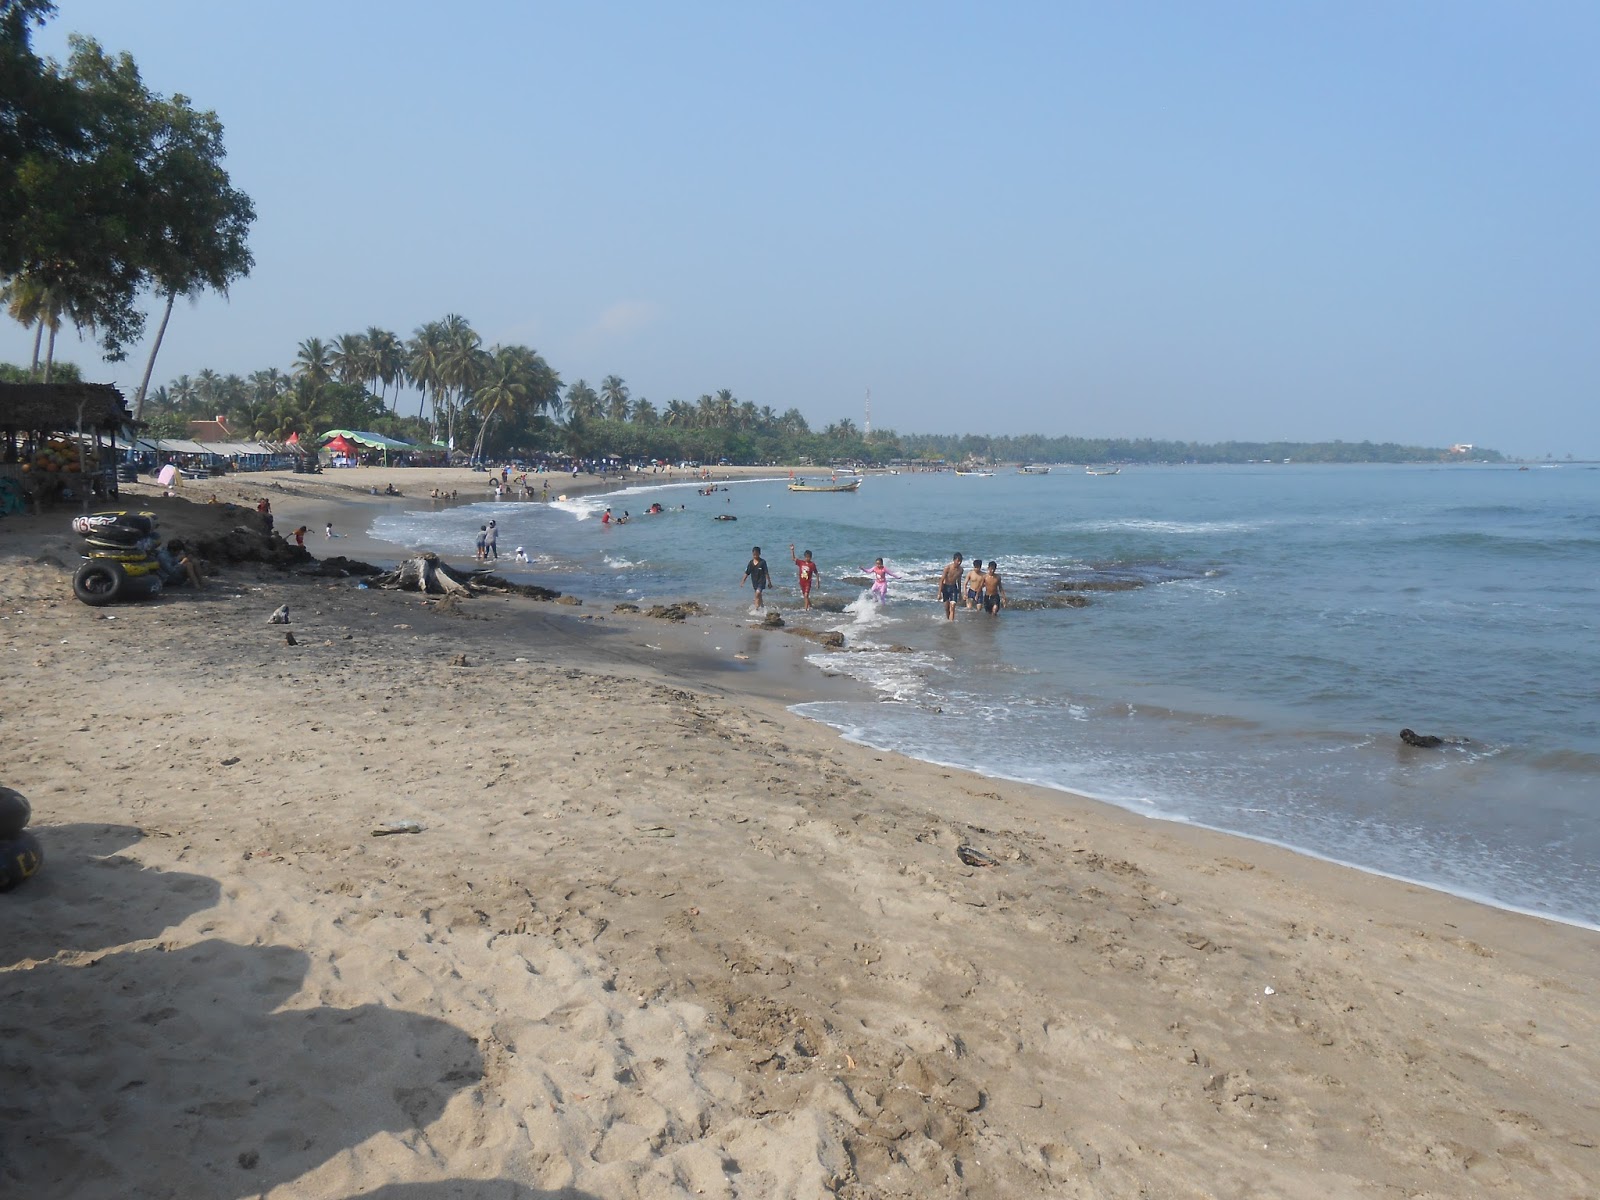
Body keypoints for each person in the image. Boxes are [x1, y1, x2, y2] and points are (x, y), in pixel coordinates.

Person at [789, 544, 820, 610]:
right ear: (804, 557)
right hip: (801, 582)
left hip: (808, 583)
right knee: (805, 596)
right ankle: (810, 606)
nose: (807, 558)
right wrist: (792, 550)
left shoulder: (812, 564)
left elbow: (816, 573)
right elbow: (793, 558)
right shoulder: (801, 562)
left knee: (806, 595)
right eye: (806, 557)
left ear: (811, 557)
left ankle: (805, 610)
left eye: (808, 557)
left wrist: (817, 582)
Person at [938, 552, 964, 620]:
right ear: (954, 560)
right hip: (945, 587)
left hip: (953, 588)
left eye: (960, 561)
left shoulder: (961, 570)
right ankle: (948, 620)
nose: (959, 563)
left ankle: (951, 622)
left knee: (952, 606)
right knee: (947, 608)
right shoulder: (948, 568)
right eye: (958, 561)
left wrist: (960, 593)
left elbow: (959, 581)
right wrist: (939, 593)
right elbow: (941, 580)